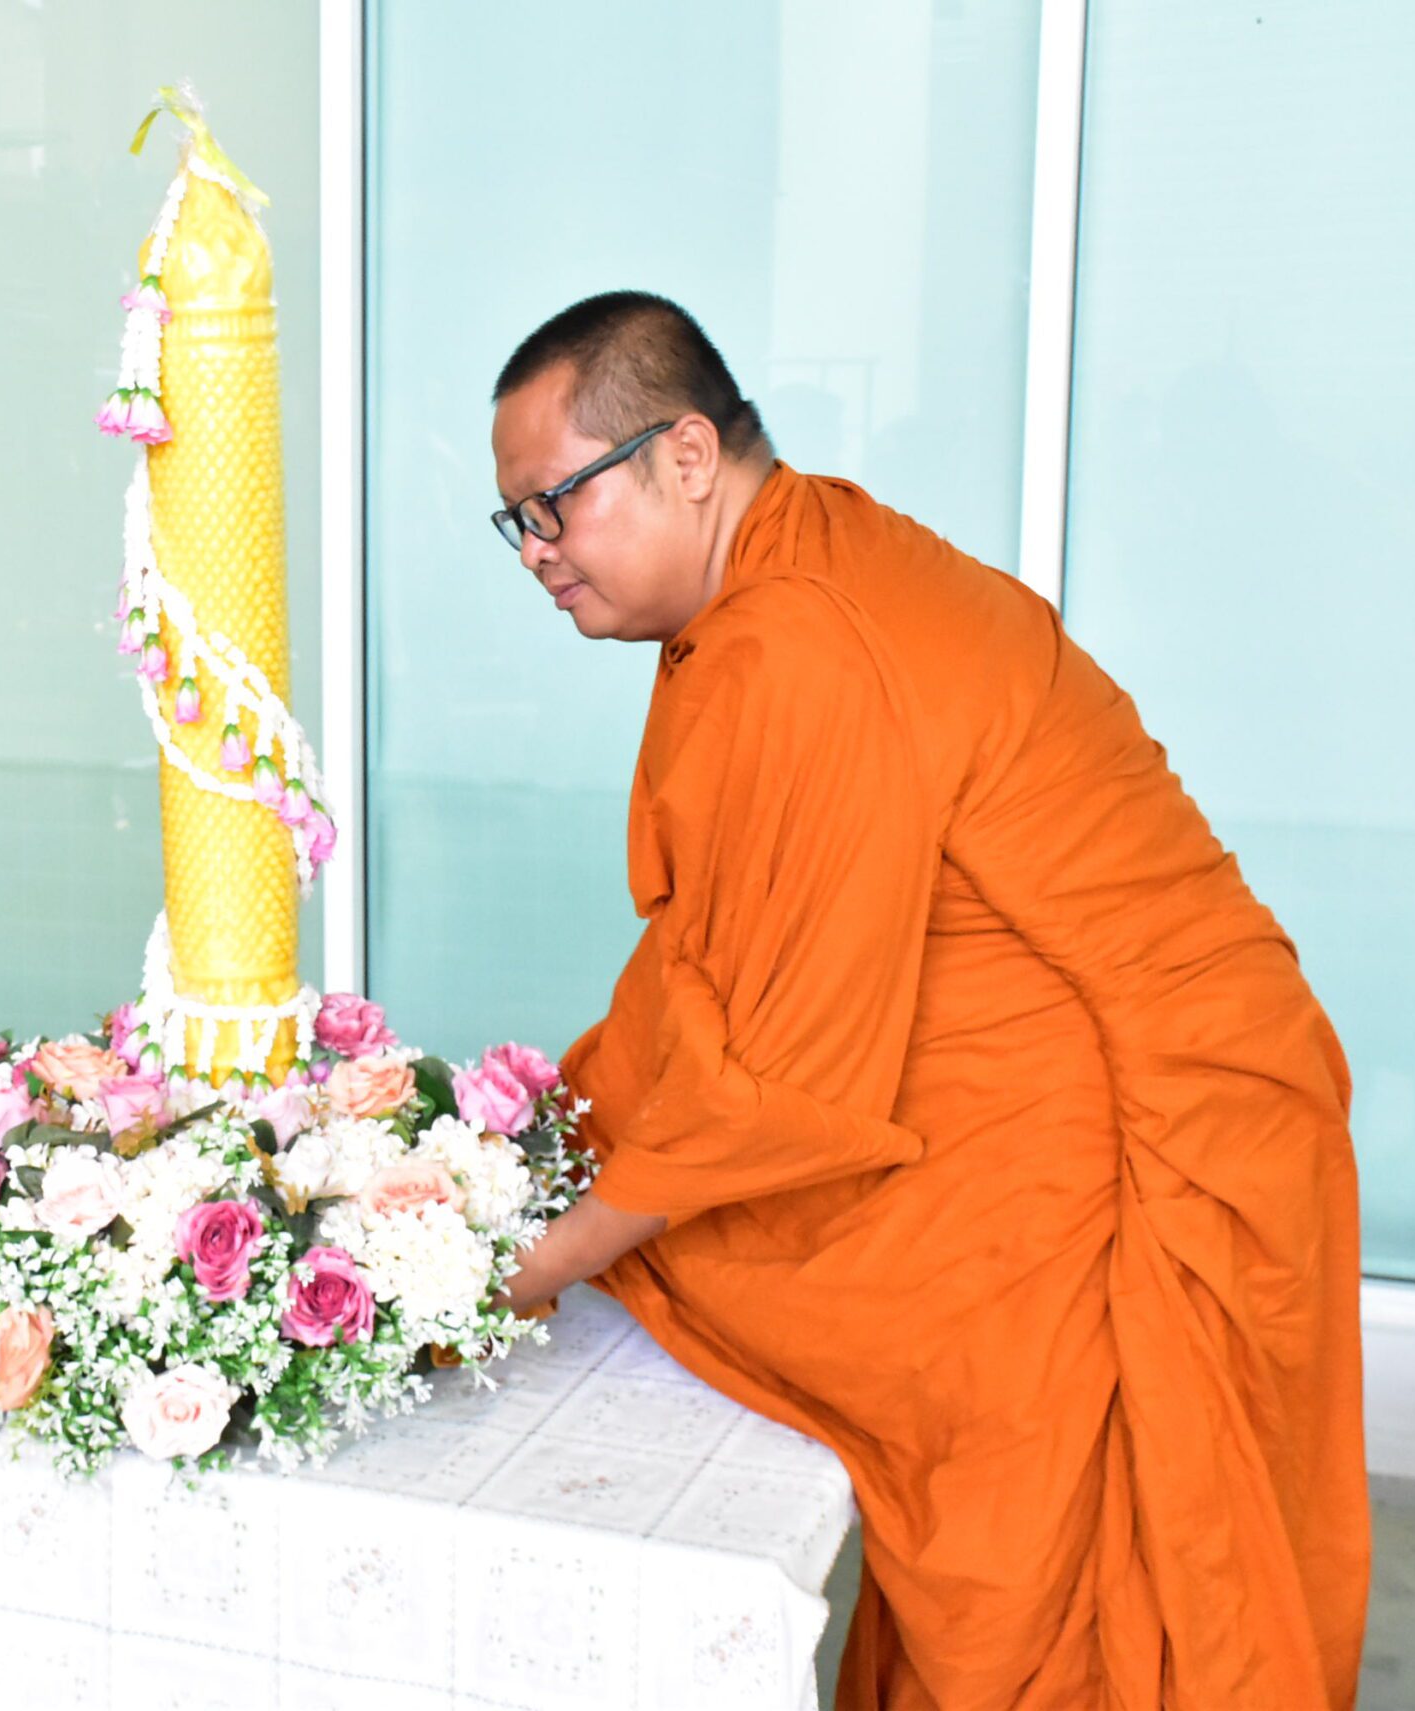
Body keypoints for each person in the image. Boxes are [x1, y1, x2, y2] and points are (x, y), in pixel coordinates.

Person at [489, 292, 1367, 1709]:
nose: (536, 550)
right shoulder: (797, 558)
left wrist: (531, 1262)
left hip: (1155, 1125)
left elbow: (778, 1079)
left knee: (1057, 1601)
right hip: (1100, 1068)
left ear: (688, 457)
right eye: (515, 523)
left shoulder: (803, 635)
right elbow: (728, 954)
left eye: (554, 505)